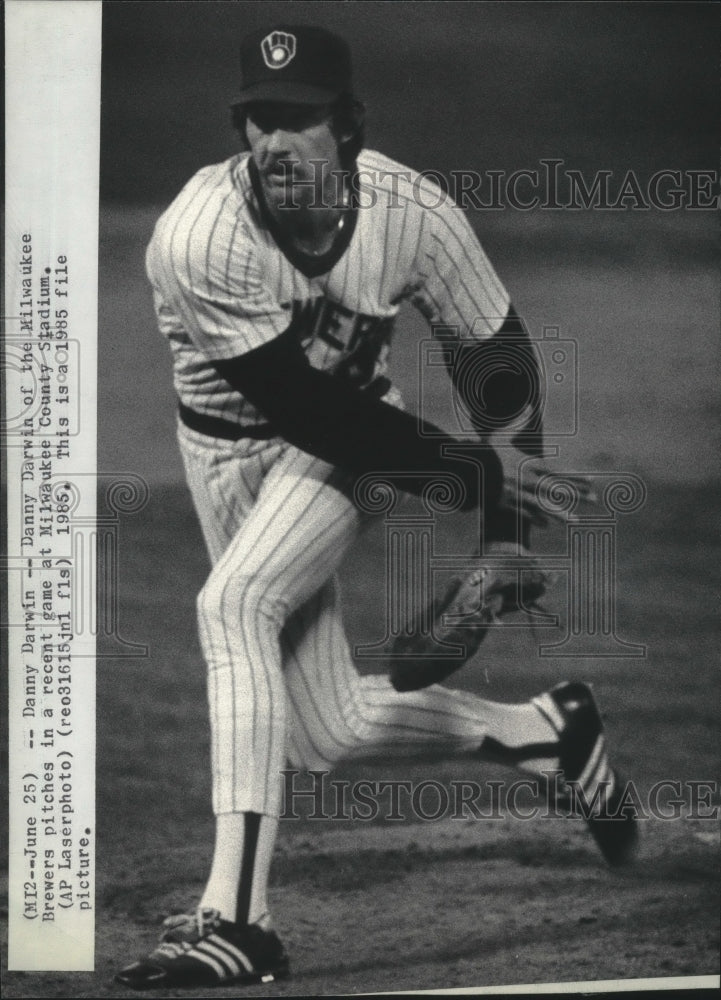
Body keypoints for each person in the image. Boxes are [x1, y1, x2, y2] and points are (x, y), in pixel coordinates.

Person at [116, 24, 636, 990]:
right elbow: (298, 406)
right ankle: (543, 734)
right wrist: (471, 477)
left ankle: (238, 922)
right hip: (247, 449)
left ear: (348, 126)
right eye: (257, 121)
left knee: (231, 607)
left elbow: (497, 360)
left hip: (353, 448)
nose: (272, 144)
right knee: (325, 731)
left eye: (297, 120)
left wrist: (501, 544)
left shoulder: (414, 214)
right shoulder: (200, 235)